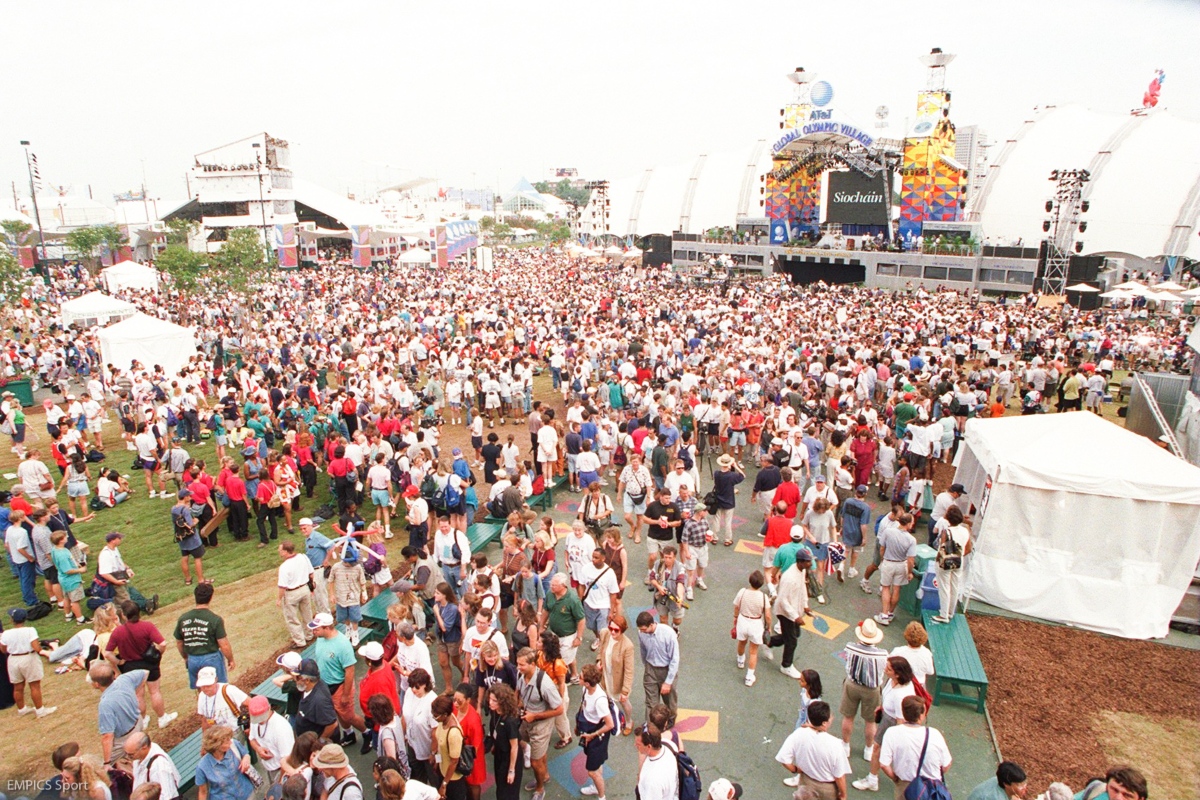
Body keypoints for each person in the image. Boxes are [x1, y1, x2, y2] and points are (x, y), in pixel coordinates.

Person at [105, 600, 177, 729]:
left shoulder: (118, 631)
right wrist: (158, 654)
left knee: (139, 694)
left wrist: (119, 662)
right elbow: (162, 644)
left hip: (130, 666)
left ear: (124, 615)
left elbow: (108, 653)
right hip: (149, 663)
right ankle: (162, 717)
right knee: (154, 691)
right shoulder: (147, 626)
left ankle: (143, 720)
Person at [853, 656, 918, 793]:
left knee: (877, 749)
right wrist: (882, 707)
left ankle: (873, 780)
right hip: (888, 717)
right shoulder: (893, 681)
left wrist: (896, 738)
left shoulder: (902, 695)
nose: (885, 669)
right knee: (878, 749)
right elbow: (887, 695)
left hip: (892, 722)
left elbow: (901, 720)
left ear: (898, 674)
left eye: (889, 669)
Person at [775, 700, 852, 800]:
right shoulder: (835, 744)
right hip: (827, 788)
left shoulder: (799, 734)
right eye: (830, 716)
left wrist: (795, 769)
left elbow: (784, 759)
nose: (832, 717)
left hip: (806, 782)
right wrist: (843, 794)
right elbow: (839, 776)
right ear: (824, 723)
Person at [879, 695, 952, 798]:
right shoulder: (934, 734)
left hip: (905, 786)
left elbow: (884, 764)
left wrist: (896, 779)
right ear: (921, 715)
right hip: (932, 789)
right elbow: (946, 764)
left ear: (903, 713)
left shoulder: (892, 733)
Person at [515, 646, 564, 800]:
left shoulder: (545, 684)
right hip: (527, 718)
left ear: (532, 664)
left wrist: (535, 716)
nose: (518, 667)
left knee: (536, 762)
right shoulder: (520, 674)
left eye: (522, 664)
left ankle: (540, 788)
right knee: (539, 755)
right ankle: (545, 775)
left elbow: (559, 709)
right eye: (518, 663)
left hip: (541, 723)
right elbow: (518, 691)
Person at [308, 612, 364, 746]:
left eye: (317, 628)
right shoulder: (320, 638)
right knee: (339, 713)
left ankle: (367, 733)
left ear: (327, 628)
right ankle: (349, 733)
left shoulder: (342, 645)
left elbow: (350, 671)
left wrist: (345, 694)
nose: (313, 631)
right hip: (325, 686)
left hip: (340, 686)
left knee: (349, 716)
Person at [840, 619, 888, 764]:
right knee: (870, 721)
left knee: (848, 717)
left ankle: (846, 745)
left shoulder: (850, 647)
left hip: (852, 685)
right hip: (872, 690)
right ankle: (868, 749)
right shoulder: (883, 655)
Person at [174, 582, 234, 689]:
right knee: (220, 688)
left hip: (193, 659)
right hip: (211, 658)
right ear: (210, 598)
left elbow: (179, 642)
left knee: (201, 689)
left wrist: (186, 657)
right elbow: (224, 644)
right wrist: (230, 659)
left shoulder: (183, 618)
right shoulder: (215, 619)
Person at [1, 607, 56, 717]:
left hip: (13, 659)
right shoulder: (30, 630)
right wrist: (41, 650)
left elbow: (3, 649)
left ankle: (21, 709)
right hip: (28, 658)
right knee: (34, 685)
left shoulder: (6, 633)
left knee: (17, 686)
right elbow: (36, 647)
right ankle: (40, 710)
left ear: (12, 620)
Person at [767, 549, 812, 680]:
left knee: (794, 635)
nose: (810, 563)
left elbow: (803, 588)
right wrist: (795, 617)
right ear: (800, 562)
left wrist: (805, 605)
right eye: (808, 561)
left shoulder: (801, 571)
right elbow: (782, 600)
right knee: (792, 640)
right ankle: (786, 666)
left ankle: (768, 641)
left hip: (793, 611)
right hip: (785, 613)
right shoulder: (789, 577)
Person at [575, 663, 617, 799]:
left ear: (587, 683)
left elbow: (610, 724)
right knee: (596, 764)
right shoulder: (586, 690)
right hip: (588, 729)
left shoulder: (600, 700)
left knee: (592, 772)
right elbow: (584, 706)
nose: (578, 678)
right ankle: (595, 786)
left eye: (580, 677)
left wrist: (591, 735)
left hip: (596, 734)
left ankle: (602, 797)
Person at [541, 573, 586, 685]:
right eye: (551, 584)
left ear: (563, 586)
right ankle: (574, 675)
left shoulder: (573, 600)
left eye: (554, 585)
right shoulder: (550, 594)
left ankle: (561, 681)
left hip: (568, 636)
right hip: (554, 634)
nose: (551, 587)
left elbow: (581, 619)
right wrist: (541, 626)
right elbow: (546, 610)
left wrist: (579, 638)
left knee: (561, 660)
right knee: (569, 656)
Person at [636, 610, 679, 721]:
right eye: (640, 629)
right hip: (650, 670)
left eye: (644, 629)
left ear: (651, 624)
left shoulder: (668, 633)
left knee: (670, 704)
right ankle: (651, 729)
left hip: (667, 670)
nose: (642, 632)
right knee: (651, 704)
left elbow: (674, 659)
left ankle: (670, 722)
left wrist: (668, 682)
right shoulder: (641, 633)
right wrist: (647, 667)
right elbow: (643, 651)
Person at [932, 507, 973, 624]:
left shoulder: (946, 531)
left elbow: (941, 548)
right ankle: (950, 612)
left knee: (944, 587)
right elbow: (968, 549)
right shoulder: (965, 530)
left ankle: (943, 614)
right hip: (959, 561)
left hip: (945, 562)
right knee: (954, 586)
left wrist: (937, 561)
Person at [733, 570, 773, 687]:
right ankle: (749, 677)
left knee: (741, 642)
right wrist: (768, 627)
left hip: (743, 620)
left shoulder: (742, 592)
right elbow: (768, 616)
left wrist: (735, 618)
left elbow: (736, 606)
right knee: (753, 652)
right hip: (755, 623)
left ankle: (740, 660)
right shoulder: (764, 597)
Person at [875, 512, 916, 627]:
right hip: (901, 564)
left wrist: (883, 560)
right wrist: (909, 572)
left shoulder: (888, 532)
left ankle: (883, 615)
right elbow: (911, 560)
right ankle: (890, 613)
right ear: (907, 524)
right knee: (896, 589)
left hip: (888, 562)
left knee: (886, 588)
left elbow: (882, 548)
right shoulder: (911, 540)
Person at [195, 724, 256, 800]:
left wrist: (246, 758)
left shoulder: (234, 745)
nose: (230, 742)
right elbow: (203, 792)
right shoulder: (202, 767)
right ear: (216, 746)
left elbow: (245, 754)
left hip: (246, 794)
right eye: (226, 741)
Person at [486, 684, 523, 800]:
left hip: (510, 758)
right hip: (499, 754)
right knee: (500, 788)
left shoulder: (510, 721)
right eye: (490, 699)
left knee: (508, 793)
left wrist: (511, 770)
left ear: (503, 702)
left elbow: (514, 747)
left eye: (494, 700)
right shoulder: (495, 712)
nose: (490, 703)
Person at [247, 694, 295, 785]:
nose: (259, 721)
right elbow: (252, 738)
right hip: (268, 767)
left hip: (282, 770)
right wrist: (258, 749)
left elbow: (288, 759)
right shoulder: (255, 721)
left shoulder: (281, 728)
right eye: (256, 718)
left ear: (269, 708)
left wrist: (279, 782)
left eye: (261, 717)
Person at [401, 668, 437, 785]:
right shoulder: (409, 693)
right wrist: (403, 737)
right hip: (412, 745)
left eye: (417, 687)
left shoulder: (432, 701)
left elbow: (435, 731)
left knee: (434, 780)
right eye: (411, 686)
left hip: (428, 750)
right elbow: (404, 717)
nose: (413, 690)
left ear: (425, 685)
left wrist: (433, 753)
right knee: (417, 779)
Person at [276, 539, 316, 648]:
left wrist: (279, 599)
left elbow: (282, 586)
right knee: (307, 613)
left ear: (286, 551)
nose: (279, 552)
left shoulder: (284, 567)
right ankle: (309, 634)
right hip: (304, 589)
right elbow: (311, 574)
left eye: (280, 550)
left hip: (292, 593)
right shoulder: (303, 557)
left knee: (292, 618)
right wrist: (311, 588)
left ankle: (300, 641)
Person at [579, 548, 620, 650]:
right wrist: (581, 600)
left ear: (603, 558)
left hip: (603, 606)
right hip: (589, 603)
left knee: (602, 629)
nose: (593, 559)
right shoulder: (586, 568)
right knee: (591, 626)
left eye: (596, 558)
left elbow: (613, 593)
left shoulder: (609, 573)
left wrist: (611, 610)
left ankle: (603, 648)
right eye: (593, 557)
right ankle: (598, 638)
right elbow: (581, 585)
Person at [126, 730, 183, 800]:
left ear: (144, 747)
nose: (129, 758)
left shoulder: (159, 766)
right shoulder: (139, 757)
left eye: (131, 755)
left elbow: (166, 796)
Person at [431, 695, 468, 800]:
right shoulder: (442, 722)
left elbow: (454, 762)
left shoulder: (453, 733)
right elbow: (440, 745)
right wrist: (437, 762)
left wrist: (444, 784)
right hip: (442, 772)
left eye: (436, 716)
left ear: (445, 714)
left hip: (453, 780)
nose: (434, 717)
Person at [292, 658, 338, 739]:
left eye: (297, 677)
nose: (294, 680)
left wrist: (318, 743)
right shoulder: (313, 685)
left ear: (307, 680)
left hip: (317, 746)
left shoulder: (319, 701)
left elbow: (332, 724)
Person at [171, 489, 207, 585]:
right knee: (198, 558)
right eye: (189, 496)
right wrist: (196, 521)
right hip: (192, 538)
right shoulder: (185, 509)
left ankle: (188, 579)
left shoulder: (173, 508)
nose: (190, 497)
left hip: (182, 538)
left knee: (184, 557)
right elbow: (190, 524)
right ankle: (201, 580)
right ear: (185, 497)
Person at [648, 544, 687, 628]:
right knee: (662, 619)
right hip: (661, 596)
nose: (667, 560)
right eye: (665, 557)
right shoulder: (658, 564)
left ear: (675, 557)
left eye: (670, 557)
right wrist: (659, 587)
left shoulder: (680, 568)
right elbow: (651, 578)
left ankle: (675, 626)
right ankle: (668, 633)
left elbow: (680, 584)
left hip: (674, 597)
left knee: (678, 620)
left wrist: (680, 598)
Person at [635, 724, 678, 800]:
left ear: (649, 747)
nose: (635, 745)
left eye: (638, 744)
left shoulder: (652, 780)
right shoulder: (670, 747)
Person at [712, 453, 745, 546]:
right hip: (729, 500)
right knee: (728, 521)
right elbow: (743, 476)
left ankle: (714, 537)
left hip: (718, 500)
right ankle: (727, 539)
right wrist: (736, 466)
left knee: (716, 520)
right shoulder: (732, 476)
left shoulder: (716, 474)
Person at [890, 622, 935, 688]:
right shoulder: (927, 653)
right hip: (919, 686)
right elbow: (930, 671)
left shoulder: (898, 651)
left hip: (901, 684)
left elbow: (889, 665)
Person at [1072, 766, 1148, 800]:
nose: (1118, 798)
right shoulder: (1096, 789)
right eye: (1114, 790)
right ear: (1107, 787)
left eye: (1127, 795)